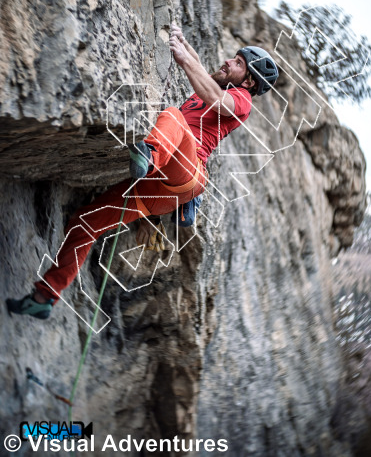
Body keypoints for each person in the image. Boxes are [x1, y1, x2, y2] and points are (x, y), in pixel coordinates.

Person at [7, 24, 278, 320]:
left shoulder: (242, 100)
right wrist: (181, 41)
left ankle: (149, 155)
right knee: (85, 222)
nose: (228, 61)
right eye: (233, 57)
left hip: (188, 172)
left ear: (250, 81)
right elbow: (204, 71)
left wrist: (182, 58)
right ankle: (44, 296)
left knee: (173, 116)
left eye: (238, 63)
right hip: (161, 189)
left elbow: (215, 97)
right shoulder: (208, 90)